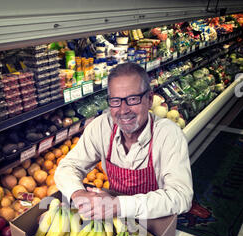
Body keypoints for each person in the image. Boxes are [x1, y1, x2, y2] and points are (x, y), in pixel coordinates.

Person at [54, 62, 193, 221]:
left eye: (132, 99)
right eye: (115, 101)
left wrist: (119, 206)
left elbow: (181, 196)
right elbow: (67, 167)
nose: (123, 110)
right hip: (114, 220)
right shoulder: (101, 127)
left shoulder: (168, 135)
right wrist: (78, 194)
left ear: (149, 99)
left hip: (155, 222)